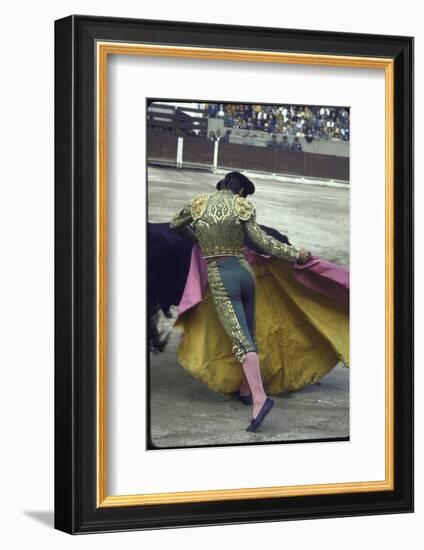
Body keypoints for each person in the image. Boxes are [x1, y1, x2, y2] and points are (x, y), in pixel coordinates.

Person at [170, 171, 311, 432]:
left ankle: (260, 399)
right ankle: (247, 391)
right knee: (249, 331)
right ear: (241, 192)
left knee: (240, 338)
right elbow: (261, 241)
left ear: (221, 186)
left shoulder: (199, 204)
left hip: (221, 275)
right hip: (245, 274)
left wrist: (199, 238)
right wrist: (295, 254)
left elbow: (175, 225)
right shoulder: (242, 205)